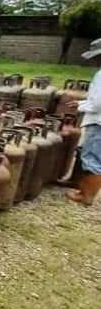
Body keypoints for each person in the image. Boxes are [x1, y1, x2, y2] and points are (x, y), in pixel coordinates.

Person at [65, 38, 101, 206]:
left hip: (99, 121)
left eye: (96, 56)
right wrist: (81, 103)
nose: (94, 60)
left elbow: (97, 103)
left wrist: (83, 106)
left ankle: (86, 196)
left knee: (92, 158)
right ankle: (85, 192)